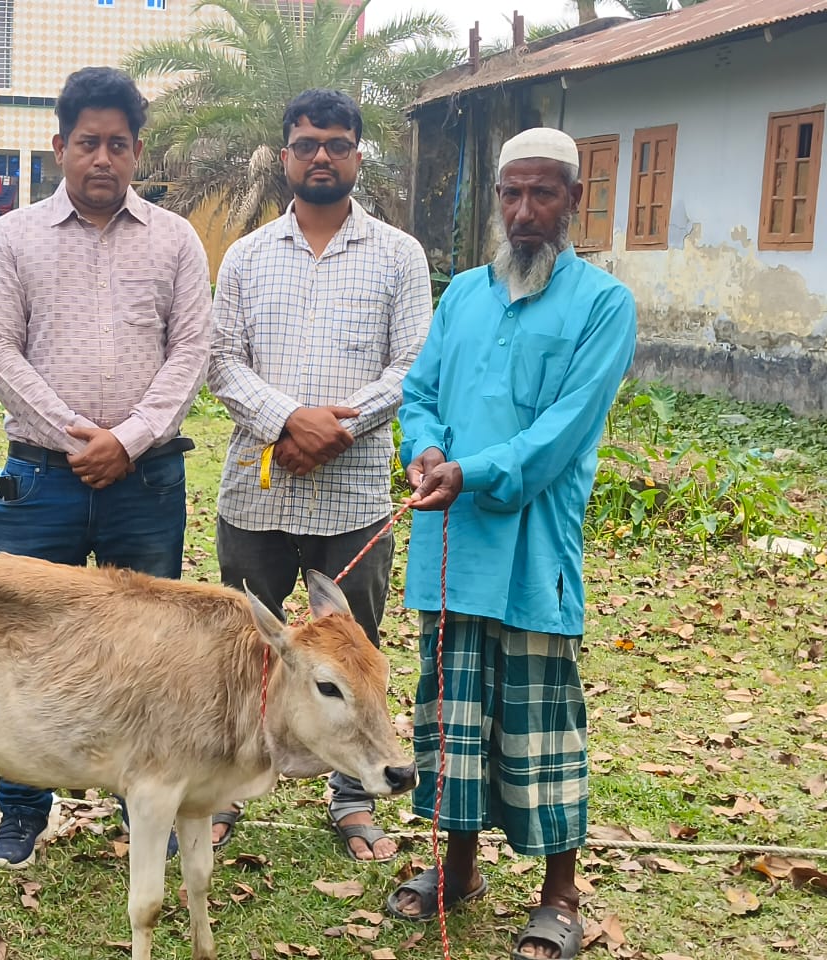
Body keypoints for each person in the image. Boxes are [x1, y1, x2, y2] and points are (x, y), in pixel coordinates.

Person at [385, 128, 637, 960]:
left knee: (540, 727)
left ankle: (560, 893)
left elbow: (560, 436)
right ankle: (457, 871)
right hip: (452, 544)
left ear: (573, 199)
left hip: (533, 552)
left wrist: (467, 468)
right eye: (511, 195)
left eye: (543, 195)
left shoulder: (604, 305)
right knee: (452, 722)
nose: (524, 213)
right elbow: (418, 392)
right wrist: (422, 451)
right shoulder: (460, 295)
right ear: (496, 199)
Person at [0, 66, 212, 869]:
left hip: (145, 481)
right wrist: (78, 436)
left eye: (117, 144)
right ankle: (20, 812)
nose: (101, 158)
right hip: (41, 477)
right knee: (24, 640)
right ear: (58, 147)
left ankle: (144, 805)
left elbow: (192, 352)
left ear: (137, 151)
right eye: (86, 143)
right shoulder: (13, 237)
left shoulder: (176, 239)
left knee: (151, 649)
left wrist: (132, 437)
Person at [206, 88, 432, 860]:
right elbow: (221, 361)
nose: (322, 156)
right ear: (285, 157)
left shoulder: (400, 255)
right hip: (257, 488)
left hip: (354, 489)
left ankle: (354, 793)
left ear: (358, 154)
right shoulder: (245, 254)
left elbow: (413, 365)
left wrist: (336, 427)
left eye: (337, 143)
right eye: (307, 144)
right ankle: (230, 785)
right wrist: (285, 421)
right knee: (246, 648)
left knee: (355, 646)